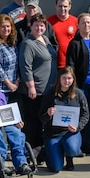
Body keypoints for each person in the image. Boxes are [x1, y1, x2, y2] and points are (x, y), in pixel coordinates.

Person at [65, 12, 90, 154]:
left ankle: (88, 145)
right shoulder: (74, 43)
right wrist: (73, 86)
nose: (87, 25)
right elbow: (70, 65)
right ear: (78, 25)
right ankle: (78, 145)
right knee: (80, 115)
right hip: (81, 85)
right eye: (83, 22)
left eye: (88, 22)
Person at [19, 14, 57, 153]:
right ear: (31, 26)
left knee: (43, 120)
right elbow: (25, 67)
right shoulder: (28, 43)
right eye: (36, 25)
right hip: (36, 89)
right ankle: (32, 149)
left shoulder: (45, 39)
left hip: (48, 88)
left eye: (42, 25)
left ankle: (40, 147)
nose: (39, 28)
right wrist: (31, 87)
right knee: (33, 121)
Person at [41, 66, 89, 173]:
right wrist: (48, 114)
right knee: (56, 168)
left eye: (69, 78)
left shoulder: (79, 94)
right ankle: (48, 152)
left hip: (70, 132)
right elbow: (41, 116)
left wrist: (77, 127)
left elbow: (85, 115)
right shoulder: (50, 94)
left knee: (73, 149)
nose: (67, 81)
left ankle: (69, 158)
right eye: (64, 78)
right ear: (59, 79)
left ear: (73, 79)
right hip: (53, 133)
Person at [0, 14, 20, 97]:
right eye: (3, 27)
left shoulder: (12, 44)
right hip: (0, 89)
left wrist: (17, 80)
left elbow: (16, 65)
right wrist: (8, 83)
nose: (6, 29)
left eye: (8, 26)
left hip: (13, 88)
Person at [46, 0, 79, 69]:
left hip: (71, 63)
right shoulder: (49, 22)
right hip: (54, 63)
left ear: (70, 7)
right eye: (60, 6)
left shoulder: (76, 22)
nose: (62, 9)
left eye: (65, 6)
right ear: (56, 6)